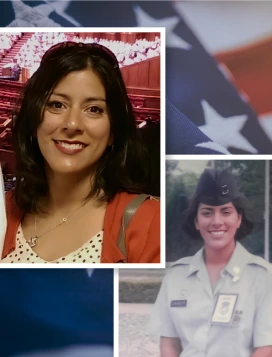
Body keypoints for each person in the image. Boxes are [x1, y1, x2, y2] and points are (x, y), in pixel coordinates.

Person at [1, 41, 159, 264]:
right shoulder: (3, 209)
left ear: (113, 131)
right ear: (33, 119)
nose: (72, 123)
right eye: (57, 105)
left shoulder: (153, 222)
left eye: (94, 109)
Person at [150, 167, 272, 357]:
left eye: (226, 211)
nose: (217, 221)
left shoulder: (262, 275)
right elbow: (168, 343)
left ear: (238, 219)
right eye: (207, 212)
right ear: (196, 221)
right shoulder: (176, 275)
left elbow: (269, 351)